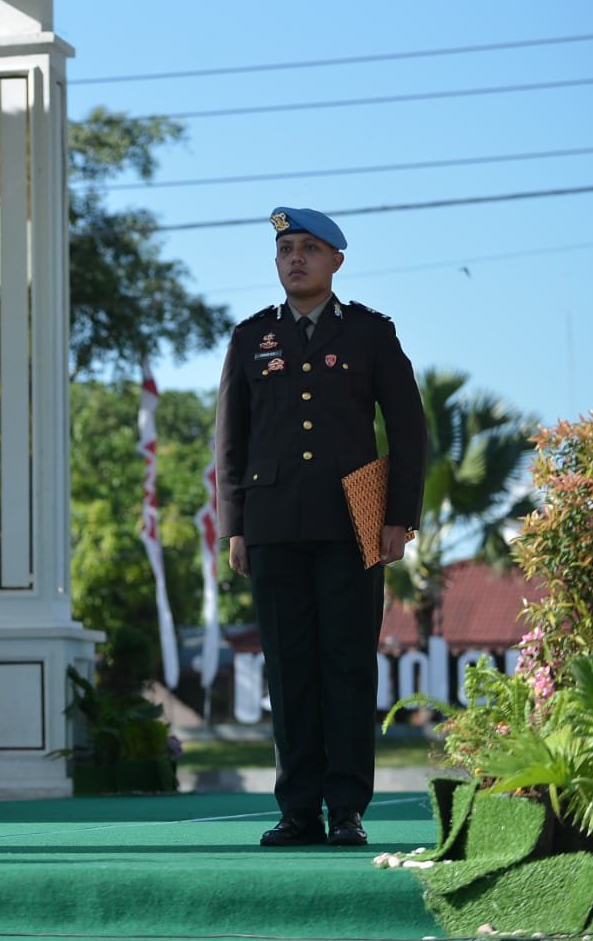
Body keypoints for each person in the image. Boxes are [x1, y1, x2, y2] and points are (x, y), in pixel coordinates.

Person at [215, 206, 426, 848]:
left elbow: (410, 431)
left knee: (348, 665)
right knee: (289, 668)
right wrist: (236, 527)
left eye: (309, 248)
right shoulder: (251, 338)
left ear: (336, 260)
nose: (295, 259)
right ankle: (298, 809)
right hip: (274, 524)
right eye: (285, 250)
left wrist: (399, 519)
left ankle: (348, 809)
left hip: (353, 523)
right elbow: (231, 439)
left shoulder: (370, 334)